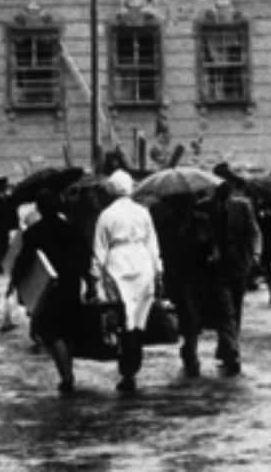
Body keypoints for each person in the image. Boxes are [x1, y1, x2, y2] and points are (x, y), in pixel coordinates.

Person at [91, 169, 162, 394]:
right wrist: (158, 270)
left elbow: (98, 251)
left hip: (118, 263)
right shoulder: (143, 212)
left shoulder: (106, 215)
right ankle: (132, 364)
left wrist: (95, 280)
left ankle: (127, 368)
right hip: (142, 263)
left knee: (122, 318)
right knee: (139, 317)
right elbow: (153, 244)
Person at [12, 190, 90, 394]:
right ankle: (68, 369)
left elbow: (24, 261)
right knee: (68, 328)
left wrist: (15, 282)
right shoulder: (73, 230)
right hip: (71, 284)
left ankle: (66, 375)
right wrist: (89, 282)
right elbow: (85, 258)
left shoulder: (34, 232)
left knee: (52, 331)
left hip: (48, 287)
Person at [151, 191, 216, 378]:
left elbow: (210, 243)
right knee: (188, 312)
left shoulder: (202, 220)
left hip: (199, 273)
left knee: (195, 313)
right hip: (179, 275)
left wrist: (211, 254)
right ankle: (191, 350)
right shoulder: (167, 223)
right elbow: (162, 249)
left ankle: (190, 347)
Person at [207, 170, 262, 375]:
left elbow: (254, 232)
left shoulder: (243, 205)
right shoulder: (207, 206)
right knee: (225, 309)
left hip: (239, 265)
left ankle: (227, 346)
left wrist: (255, 255)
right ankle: (232, 351)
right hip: (216, 267)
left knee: (235, 308)